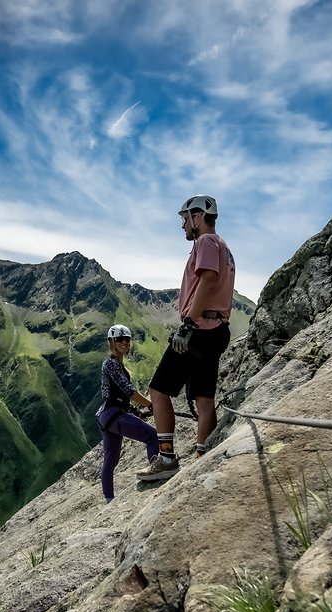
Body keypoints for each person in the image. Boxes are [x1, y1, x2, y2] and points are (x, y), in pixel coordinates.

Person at [136, 194, 236, 482]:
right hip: (217, 331)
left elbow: (206, 280)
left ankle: (167, 459)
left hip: (199, 329)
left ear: (199, 216)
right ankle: (203, 454)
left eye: (185, 219)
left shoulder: (205, 242)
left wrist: (188, 323)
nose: (183, 226)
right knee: (205, 398)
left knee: (158, 389)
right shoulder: (225, 247)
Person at [97, 324, 159, 502]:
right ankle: (155, 472)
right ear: (112, 342)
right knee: (151, 436)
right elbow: (128, 390)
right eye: (119, 339)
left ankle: (109, 500)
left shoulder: (114, 363)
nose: (124, 342)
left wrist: (135, 410)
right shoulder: (112, 363)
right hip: (113, 414)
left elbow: (119, 394)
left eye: (127, 339)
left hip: (107, 416)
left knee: (110, 460)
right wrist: (150, 405)